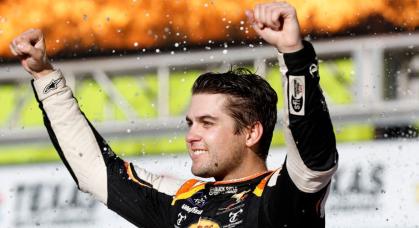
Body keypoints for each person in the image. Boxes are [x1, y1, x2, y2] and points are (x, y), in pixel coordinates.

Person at [10, 2, 338, 228]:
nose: (192, 135)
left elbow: (312, 151)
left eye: (208, 123)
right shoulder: (181, 202)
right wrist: (46, 78)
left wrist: (293, 55)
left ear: (251, 133)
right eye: (191, 123)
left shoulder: (283, 196)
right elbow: (96, 171)